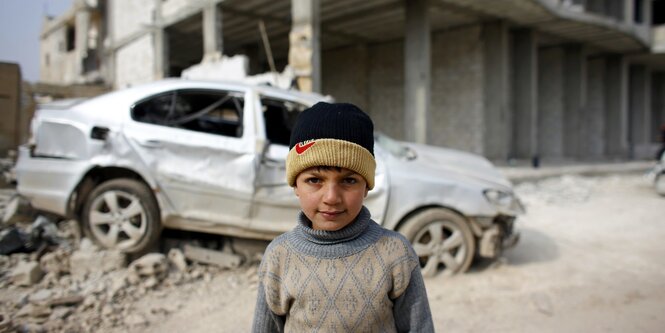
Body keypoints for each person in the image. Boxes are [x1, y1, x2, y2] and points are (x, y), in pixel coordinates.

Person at [252, 102, 434, 332]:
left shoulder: (395, 253)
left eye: (349, 180)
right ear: (295, 184)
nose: (331, 197)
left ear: (366, 187)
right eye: (314, 180)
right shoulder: (279, 256)